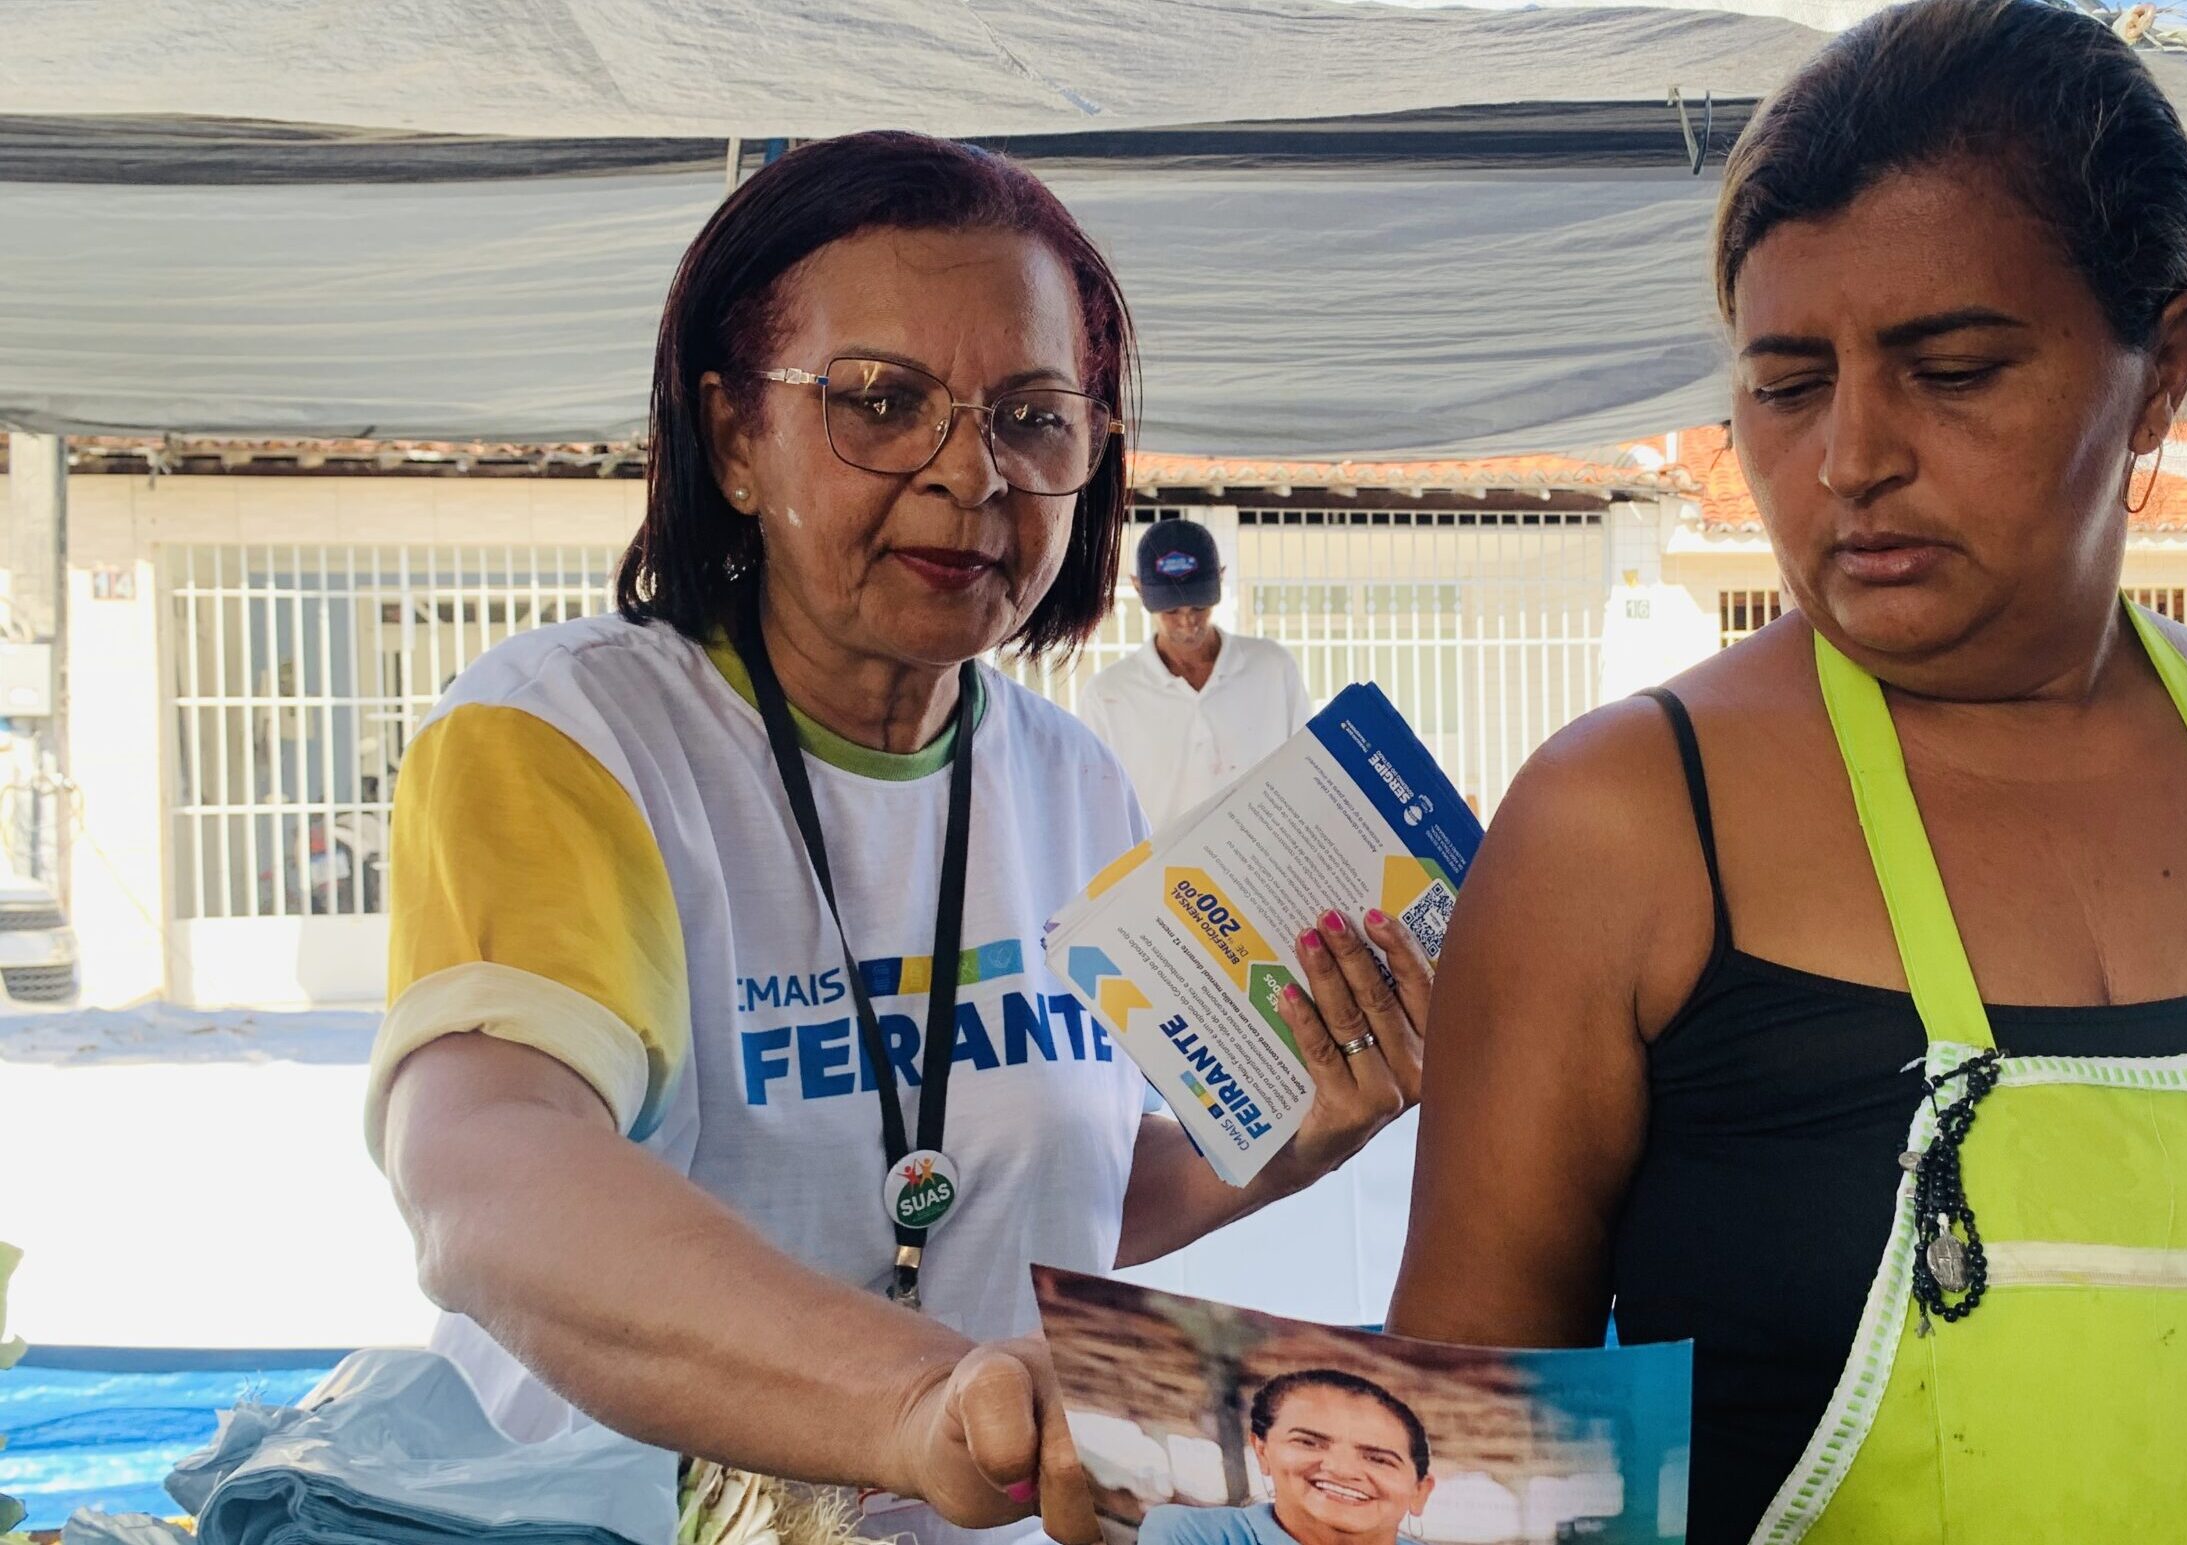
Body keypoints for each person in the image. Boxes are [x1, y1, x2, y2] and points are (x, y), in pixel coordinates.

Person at [1386, 4, 2187, 1542]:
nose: (1851, 455)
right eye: (1785, 384)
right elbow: (1451, 1470)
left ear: (2162, 362)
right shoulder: (1628, 824)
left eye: (1955, 366)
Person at [368, 131, 1434, 1545]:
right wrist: (921, 1396)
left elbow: (1053, 1208)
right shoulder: (572, 739)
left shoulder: (1069, 780)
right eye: (879, 402)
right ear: (735, 437)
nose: (967, 474)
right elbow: (487, 1172)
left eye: (1032, 416)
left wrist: (1287, 1137)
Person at [1077, 519, 1312, 833]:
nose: (1188, 623)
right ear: (1137, 588)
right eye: (1171, 611)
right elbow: (1096, 810)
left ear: (1221, 580)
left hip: (1263, 869)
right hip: (1162, 878)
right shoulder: (1108, 696)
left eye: (1199, 606)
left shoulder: (1272, 668)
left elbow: (1306, 771)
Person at [1136, 1370, 1435, 1545]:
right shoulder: (1190, 1534)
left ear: (1419, 1491)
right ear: (1262, 1451)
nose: (1343, 1470)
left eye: (1379, 1459)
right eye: (1309, 1442)